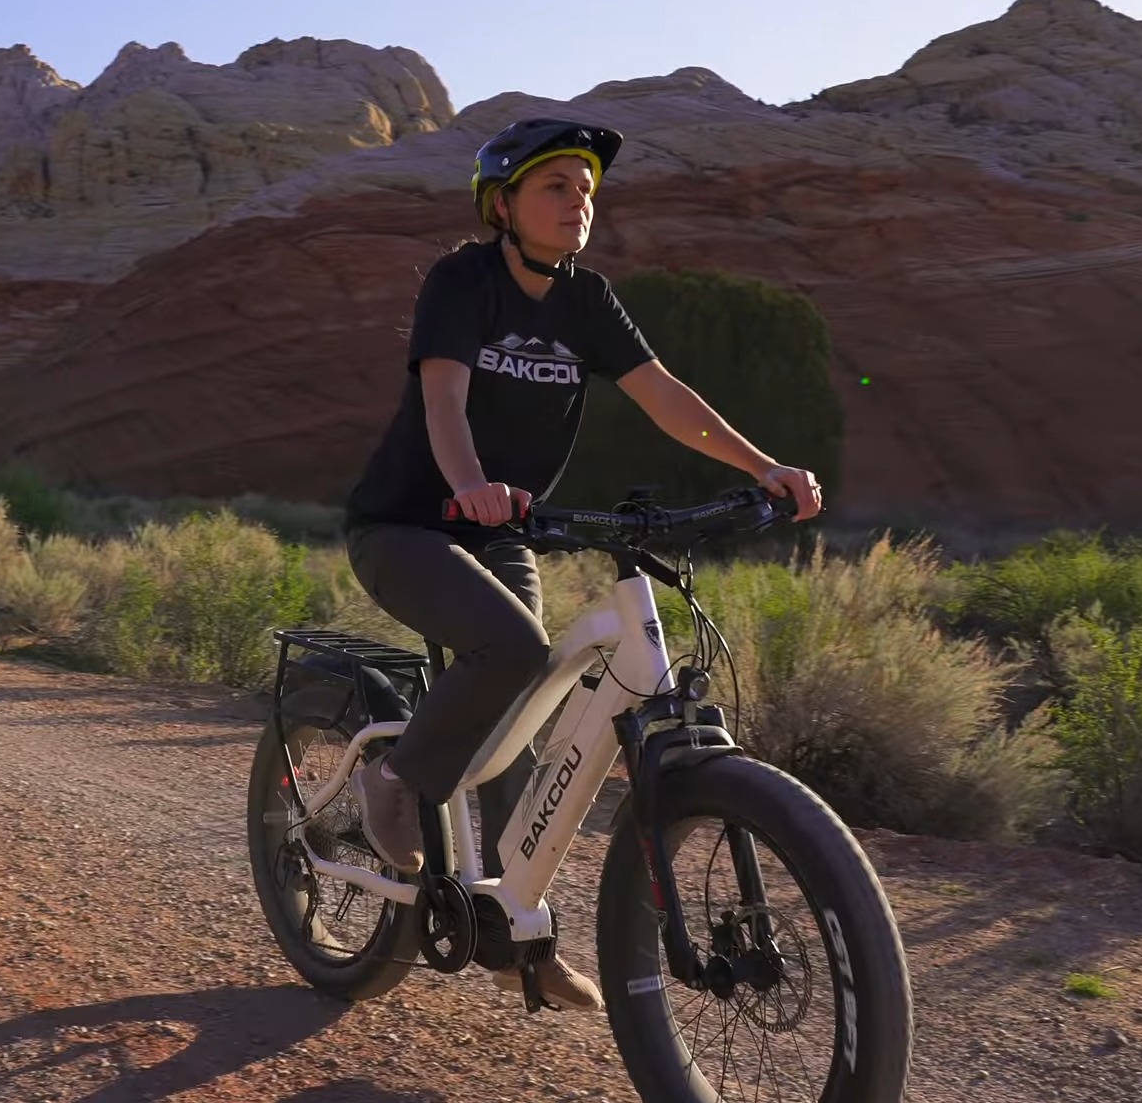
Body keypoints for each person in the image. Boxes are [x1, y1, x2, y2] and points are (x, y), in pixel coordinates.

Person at [339, 118, 824, 1011]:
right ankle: (395, 779)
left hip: (502, 530)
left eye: (587, 190)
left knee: (532, 712)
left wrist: (762, 467)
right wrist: (474, 484)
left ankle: (517, 933)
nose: (579, 203)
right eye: (557, 186)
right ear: (504, 203)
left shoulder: (587, 300)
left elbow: (667, 397)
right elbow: (441, 396)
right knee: (516, 652)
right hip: (406, 524)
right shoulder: (464, 280)